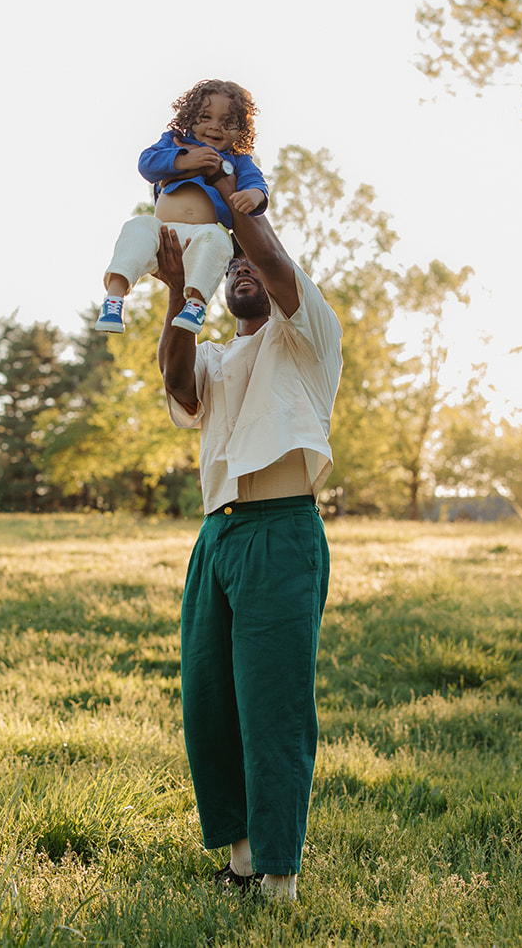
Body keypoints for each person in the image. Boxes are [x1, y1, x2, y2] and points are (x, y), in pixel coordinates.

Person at [153, 165, 343, 901]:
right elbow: (177, 382)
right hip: (217, 540)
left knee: (273, 706)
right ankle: (240, 862)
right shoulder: (216, 353)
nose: (242, 271)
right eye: (230, 267)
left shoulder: (308, 333)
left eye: (250, 264)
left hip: (282, 530)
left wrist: (230, 208)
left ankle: (280, 876)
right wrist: (179, 290)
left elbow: (269, 258)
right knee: (211, 705)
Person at [97, 79, 269, 337]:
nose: (214, 126)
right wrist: (185, 160)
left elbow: (256, 182)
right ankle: (114, 299)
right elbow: (147, 163)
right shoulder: (175, 142)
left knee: (221, 241)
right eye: (205, 117)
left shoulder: (238, 160)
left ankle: (196, 305)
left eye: (226, 122)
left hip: (203, 235)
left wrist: (254, 196)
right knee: (136, 227)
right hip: (162, 233)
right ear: (189, 119)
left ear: (239, 130)